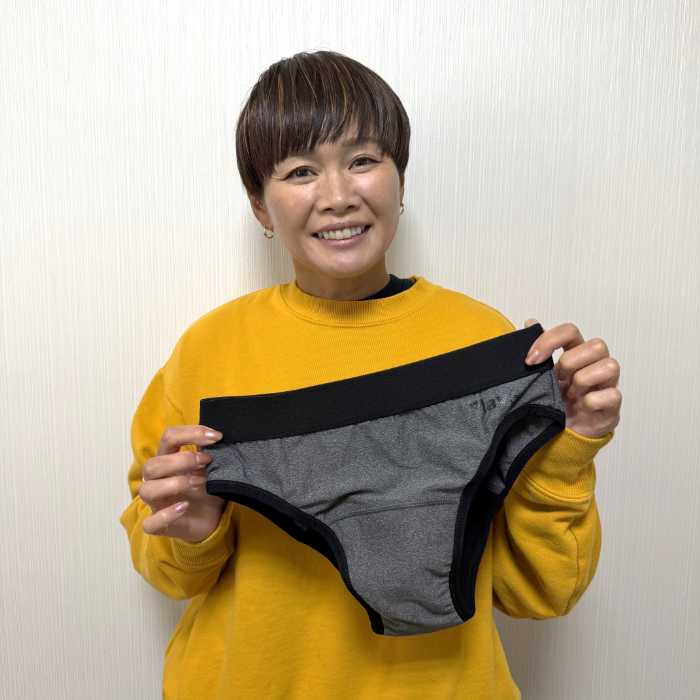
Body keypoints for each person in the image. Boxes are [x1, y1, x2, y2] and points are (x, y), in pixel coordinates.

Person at [119, 50, 622, 699]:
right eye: (301, 171)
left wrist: (571, 444)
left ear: (399, 180)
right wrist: (194, 531)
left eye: (362, 160)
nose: (337, 197)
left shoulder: (483, 344)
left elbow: (544, 592)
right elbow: (168, 572)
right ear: (262, 208)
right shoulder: (208, 354)